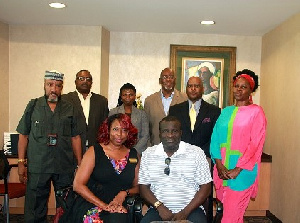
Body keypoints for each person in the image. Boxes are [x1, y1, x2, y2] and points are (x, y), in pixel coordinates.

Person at [16, 70, 82, 223]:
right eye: (50, 85)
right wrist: (20, 163)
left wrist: (80, 164)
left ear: (62, 88)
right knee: (35, 207)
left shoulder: (69, 108)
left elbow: (75, 137)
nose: (54, 89)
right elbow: (23, 135)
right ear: (44, 86)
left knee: (66, 205)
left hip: (63, 165)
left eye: (58, 86)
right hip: (39, 166)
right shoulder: (33, 106)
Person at [210, 69, 267, 223]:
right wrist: (219, 164)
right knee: (233, 216)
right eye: (237, 86)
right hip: (223, 171)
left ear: (251, 91)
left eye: (244, 87)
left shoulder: (257, 112)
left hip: (242, 172)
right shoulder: (226, 112)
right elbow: (215, 138)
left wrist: (238, 169)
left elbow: (255, 144)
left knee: (229, 218)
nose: (239, 89)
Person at [67, 113, 140, 223]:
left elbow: (138, 187)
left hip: (119, 204)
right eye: (115, 129)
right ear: (108, 130)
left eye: (124, 130)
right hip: (92, 202)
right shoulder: (94, 151)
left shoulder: (134, 155)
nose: (119, 134)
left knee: (118, 220)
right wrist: (103, 206)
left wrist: (124, 193)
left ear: (129, 133)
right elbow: (78, 185)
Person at [139, 116, 212, 223]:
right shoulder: (148, 154)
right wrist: (160, 208)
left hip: (192, 209)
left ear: (181, 133)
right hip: (158, 209)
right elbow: (143, 188)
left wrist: (185, 212)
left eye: (175, 131)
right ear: (159, 133)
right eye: (165, 131)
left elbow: (206, 187)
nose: (170, 135)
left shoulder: (196, 152)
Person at [169, 76, 221, 158]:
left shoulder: (214, 111)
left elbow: (215, 138)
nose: (193, 89)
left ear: (203, 89)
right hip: (179, 158)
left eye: (196, 86)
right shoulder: (175, 110)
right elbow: (171, 134)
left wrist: (199, 153)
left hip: (204, 157)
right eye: (190, 86)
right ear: (186, 89)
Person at [62, 69, 108, 152]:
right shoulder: (65, 100)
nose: (85, 81)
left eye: (88, 79)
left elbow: (105, 126)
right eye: (81, 78)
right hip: (71, 149)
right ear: (75, 81)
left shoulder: (101, 101)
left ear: (91, 83)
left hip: (95, 149)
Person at [144, 67, 187, 146]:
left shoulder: (185, 98)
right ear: (160, 81)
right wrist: (149, 147)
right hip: (155, 147)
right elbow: (146, 128)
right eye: (165, 77)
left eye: (171, 77)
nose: (168, 80)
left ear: (175, 80)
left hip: (179, 148)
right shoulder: (149, 101)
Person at [109, 83, 149, 154]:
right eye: (125, 95)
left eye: (131, 95)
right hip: (117, 151)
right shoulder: (113, 112)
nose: (128, 97)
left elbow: (145, 135)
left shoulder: (142, 114)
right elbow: (110, 132)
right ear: (121, 96)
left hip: (137, 151)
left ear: (135, 96)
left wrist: (134, 151)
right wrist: (119, 149)